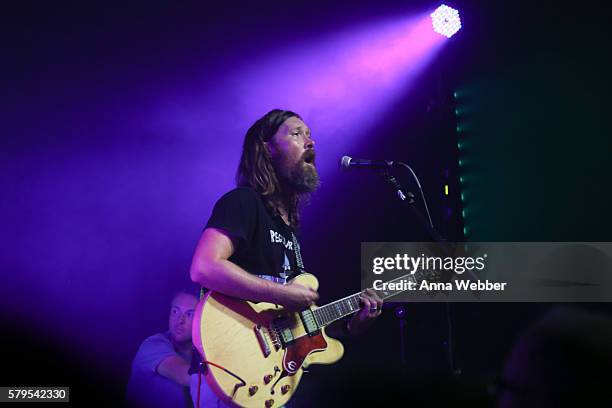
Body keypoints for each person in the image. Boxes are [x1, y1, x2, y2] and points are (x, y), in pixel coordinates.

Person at [189, 109, 383, 407]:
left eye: (309, 133)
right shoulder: (244, 202)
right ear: (267, 149)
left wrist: (353, 325)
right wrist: (284, 293)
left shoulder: (289, 228)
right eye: (296, 133)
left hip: (270, 378)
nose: (310, 141)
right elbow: (204, 267)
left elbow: (298, 322)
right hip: (230, 369)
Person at [126, 290, 198, 408]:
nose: (180, 320)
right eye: (175, 311)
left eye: (189, 314)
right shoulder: (152, 345)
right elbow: (186, 376)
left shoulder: (199, 355)